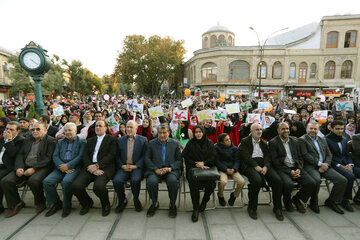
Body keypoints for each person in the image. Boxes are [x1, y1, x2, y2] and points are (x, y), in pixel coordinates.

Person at [1, 122, 56, 217]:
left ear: (45, 130)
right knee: (6, 181)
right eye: (33, 129)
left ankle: (40, 202)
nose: (35, 131)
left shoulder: (51, 141)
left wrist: (34, 169)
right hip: (25, 166)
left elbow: (48, 159)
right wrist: (19, 167)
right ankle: (17, 203)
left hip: (42, 167)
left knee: (33, 180)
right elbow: (20, 155)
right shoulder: (28, 140)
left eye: (38, 129)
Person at [299, 121, 348, 214]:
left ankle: (331, 201)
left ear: (318, 130)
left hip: (325, 166)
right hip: (311, 166)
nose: (313, 130)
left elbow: (329, 154)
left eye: (315, 129)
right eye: (311, 128)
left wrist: (326, 164)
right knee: (316, 180)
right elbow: (305, 155)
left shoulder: (322, 139)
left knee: (342, 180)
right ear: (306, 129)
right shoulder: (302, 140)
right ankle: (314, 202)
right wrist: (319, 164)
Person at [71, 120, 117, 216]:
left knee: (98, 187)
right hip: (90, 167)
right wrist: (90, 167)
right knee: (75, 186)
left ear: (106, 128)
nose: (98, 128)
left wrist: (97, 166)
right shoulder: (90, 140)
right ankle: (87, 202)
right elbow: (85, 155)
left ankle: (105, 204)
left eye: (100, 126)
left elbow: (111, 155)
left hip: (105, 167)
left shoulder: (112, 139)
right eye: (96, 126)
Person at [238, 123, 283, 221]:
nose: (259, 131)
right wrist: (256, 166)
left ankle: (277, 208)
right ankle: (252, 207)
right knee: (256, 180)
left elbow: (268, 156)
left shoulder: (264, 143)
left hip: (263, 165)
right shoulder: (245, 141)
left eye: (260, 129)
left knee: (277, 180)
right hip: (249, 164)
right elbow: (245, 157)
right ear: (251, 132)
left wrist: (266, 167)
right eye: (257, 129)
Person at [269, 122, 316, 214]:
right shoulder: (273, 142)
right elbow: (275, 162)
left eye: (287, 128)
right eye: (283, 129)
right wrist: (289, 171)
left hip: (295, 167)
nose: (286, 131)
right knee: (288, 184)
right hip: (282, 168)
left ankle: (297, 199)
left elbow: (299, 157)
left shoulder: (294, 141)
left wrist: (298, 168)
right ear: (278, 131)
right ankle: (287, 202)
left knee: (311, 183)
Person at [42, 123, 86, 217]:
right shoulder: (60, 142)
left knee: (66, 182)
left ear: (75, 131)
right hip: (61, 167)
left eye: (70, 130)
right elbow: (55, 155)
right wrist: (61, 166)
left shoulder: (82, 142)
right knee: (47, 181)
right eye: (65, 130)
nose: (67, 132)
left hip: (74, 167)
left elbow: (80, 157)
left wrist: (69, 165)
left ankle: (67, 206)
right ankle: (56, 203)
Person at [144, 124, 182, 218]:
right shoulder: (151, 143)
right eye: (160, 133)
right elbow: (147, 159)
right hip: (155, 170)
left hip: (170, 170)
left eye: (164, 133)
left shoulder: (175, 143)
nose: (162, 135)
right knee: (151, 181)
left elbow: (179, 160)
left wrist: (170, 168)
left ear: (169, 133)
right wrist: (155, 169)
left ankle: (172, 205)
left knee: (172, 181)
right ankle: (154, 203)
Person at [183, 125, 216, 222]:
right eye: (196, 132)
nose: (198, 134)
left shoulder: (209, 143)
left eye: (200, 132)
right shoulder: (190, 144)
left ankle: (204, 201)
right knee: (194, 186)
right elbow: (186, 158)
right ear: (194, 133)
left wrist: (204, 163)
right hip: (193, 168)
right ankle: (196, 208)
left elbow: (214, 157)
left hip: (207, 168)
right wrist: (196, 164)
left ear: (203, 132)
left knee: (211, 184)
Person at [113, 120, 147, 213]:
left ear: (136, 129)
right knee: (117, 180)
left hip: (136, 167)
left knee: (135, 180)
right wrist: (122, 165)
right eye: (127, 127)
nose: (128, 129)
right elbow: (117, 156)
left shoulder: (143, 140)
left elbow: (145, 156)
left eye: (131, 127)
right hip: (123, 167)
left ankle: (136, 199)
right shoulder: (120, 140)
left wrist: (136, 166)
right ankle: (122, 200)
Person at [326, 120, 360, 212]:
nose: (340, 131)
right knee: (350, 176)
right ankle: (345, 200)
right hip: (334, 165)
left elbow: (347, 155)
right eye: (337, 129)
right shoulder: (326, 140)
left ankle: (358, 197)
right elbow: (328, 157)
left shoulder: (344, 139)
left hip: (346, 164)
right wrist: (340, 166)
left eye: (341, 129)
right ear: (331, 128)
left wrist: (350, 164)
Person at [0, 122, 25, 214]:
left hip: (10, 167)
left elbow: (15, 156)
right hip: (1, 166)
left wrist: (9, 141)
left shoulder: (21, 140)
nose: (8, 131)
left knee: (4, 181)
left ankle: (16, 204)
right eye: (7, 129)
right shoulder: (2, 139)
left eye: (11, 129)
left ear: (17, 131)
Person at [215, 133, 245, 207]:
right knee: (223, 182)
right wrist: (225, 169)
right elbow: (216, 161)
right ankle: (220, 195)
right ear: (222, 142)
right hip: (223, 169)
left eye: (229, 139)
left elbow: (237, 160)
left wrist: (234, 169)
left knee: (241, 182)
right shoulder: (216, 148)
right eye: (227, 140)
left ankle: (234, 195)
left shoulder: (234, 148)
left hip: (233, 169)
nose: (229, 141)